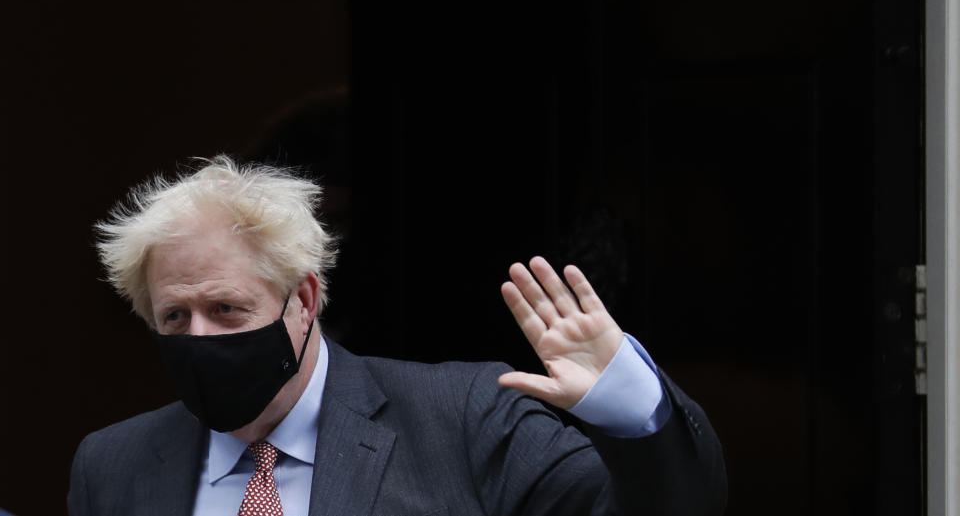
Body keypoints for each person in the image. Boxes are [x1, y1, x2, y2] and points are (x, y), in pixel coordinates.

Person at [68, 157, 726, 515]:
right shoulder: (113, 465)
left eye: (228, 309)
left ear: (304, 299)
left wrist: (630, 407)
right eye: (174, 316)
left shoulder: (465, 419)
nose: (199, 336)